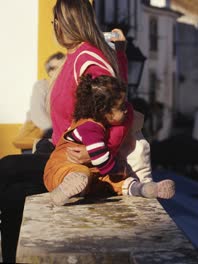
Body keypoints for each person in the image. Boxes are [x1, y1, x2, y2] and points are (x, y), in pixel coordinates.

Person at [0, 0, 158, 261]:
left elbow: (121, 111)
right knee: (13, 194)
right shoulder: (77, 55)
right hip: (58, 150)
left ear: (65, 22)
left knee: (8, 171)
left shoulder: (89, 59)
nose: (53, 28)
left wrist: (97, 152)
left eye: (55, 22)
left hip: (73, 159)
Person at [44, 75, 174, 206]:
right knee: (82, 174)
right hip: (64, 165)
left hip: (93, 172)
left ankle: (144, 189)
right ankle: (63, 190)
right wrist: (120, 170)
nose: (126, 110)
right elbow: (103, 161)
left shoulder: (101, 124)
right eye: (121, 107)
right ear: (103, 111)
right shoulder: (90, 127)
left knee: (113, 183)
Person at [12, 52, 65, 152]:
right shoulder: (42, 86)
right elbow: (38, 113)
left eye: (62, 67)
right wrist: (55, 132)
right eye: (54, 68)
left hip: (57, 140)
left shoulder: (67, 88)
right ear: (49, 71)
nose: (58, 71)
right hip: (41, 137)